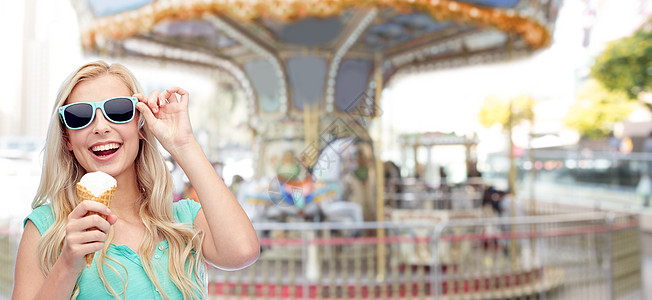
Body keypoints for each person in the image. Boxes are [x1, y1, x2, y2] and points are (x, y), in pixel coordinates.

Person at [12, 61, 260, 299]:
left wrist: (184, 145)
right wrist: (67, 264)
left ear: (141, 125)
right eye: (79, 116)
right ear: (67, 139)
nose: (100, 127)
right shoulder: (47, 228)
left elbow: (243, 252)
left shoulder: (183, 220)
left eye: (117, 110)